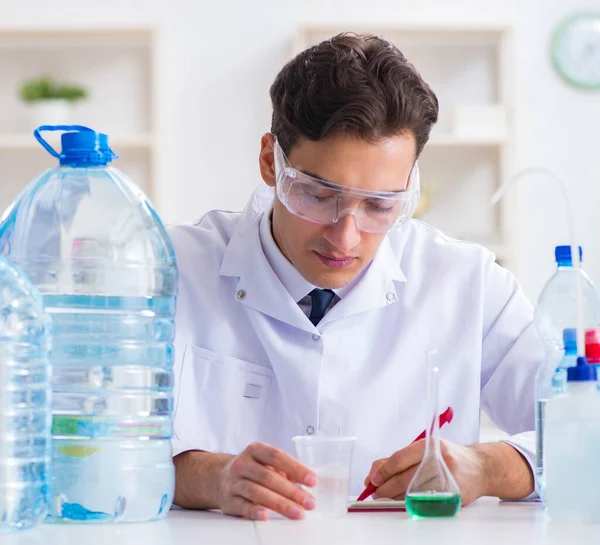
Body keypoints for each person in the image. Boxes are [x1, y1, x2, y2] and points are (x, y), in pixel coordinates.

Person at [169, 33, 543, 521]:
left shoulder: (469, 285)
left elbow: (584, 436)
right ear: (270, 163)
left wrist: (489, 467)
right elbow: (84, 447)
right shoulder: (167, 270)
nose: (345, 238)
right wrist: (210, 477)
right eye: (318, 196)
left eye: (380, 205)